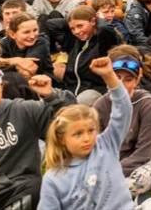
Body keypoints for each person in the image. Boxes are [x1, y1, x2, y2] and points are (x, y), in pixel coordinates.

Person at [0, 63, 74, 210]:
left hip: (24, 192)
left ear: (2, 88)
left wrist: (50, 95)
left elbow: (73, 119)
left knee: (35, 188)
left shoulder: (22, 110)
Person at [39, 57, 134, 210]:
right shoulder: (53, 179)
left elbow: (123, 110)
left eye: (91, 131)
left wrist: (109, 76)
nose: (87, 138)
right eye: (78, 134)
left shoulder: (106, 144)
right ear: (62, 138)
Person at [94, 46, 151, 197]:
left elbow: (144, 152)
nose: (122, 85)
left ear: (137, 80)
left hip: (149, 156)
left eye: (128, 79)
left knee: (135, 182)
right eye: (117, 78)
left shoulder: (147, 103)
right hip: (115, 158)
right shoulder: (100, 105)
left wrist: (111, 171)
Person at [58, 5, 123, 105]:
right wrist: (71, 18)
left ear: (93, 21)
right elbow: (51, 25)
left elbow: (105, 29)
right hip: (72, 89)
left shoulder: (104, 40)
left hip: (95, 90)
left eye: (80, 26)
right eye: (72, 28)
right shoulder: (76, 41)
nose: (76, 32)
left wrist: (100, 19)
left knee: (79, 103)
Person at [0, 12, 53, 80]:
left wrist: (4, 63)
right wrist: (14, 61)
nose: (32, 36)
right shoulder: (5, 43)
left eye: (35, 30)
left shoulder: (41, 42)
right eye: (26, 32)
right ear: (13, 34)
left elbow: (28, 69)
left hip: (44, 83)